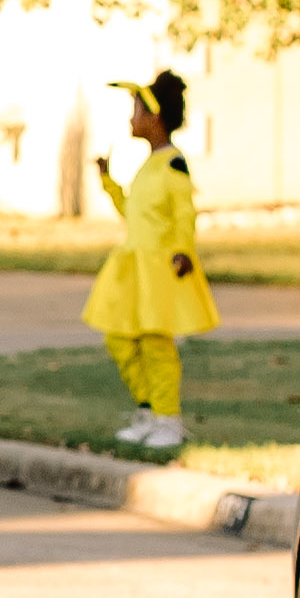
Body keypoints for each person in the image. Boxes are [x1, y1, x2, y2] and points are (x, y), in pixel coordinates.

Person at [88, 71, 217, 455]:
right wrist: (108, 181)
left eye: (136, 110)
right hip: (133, 270)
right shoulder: (149, 165)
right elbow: (133, 212)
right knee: (120, 339)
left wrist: (181, 250)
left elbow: (184, 214)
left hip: (160, 269)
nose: (131, 119)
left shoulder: (174, 164)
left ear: (155, 117)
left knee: (157, 344)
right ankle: (147, 409)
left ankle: (168, 419)